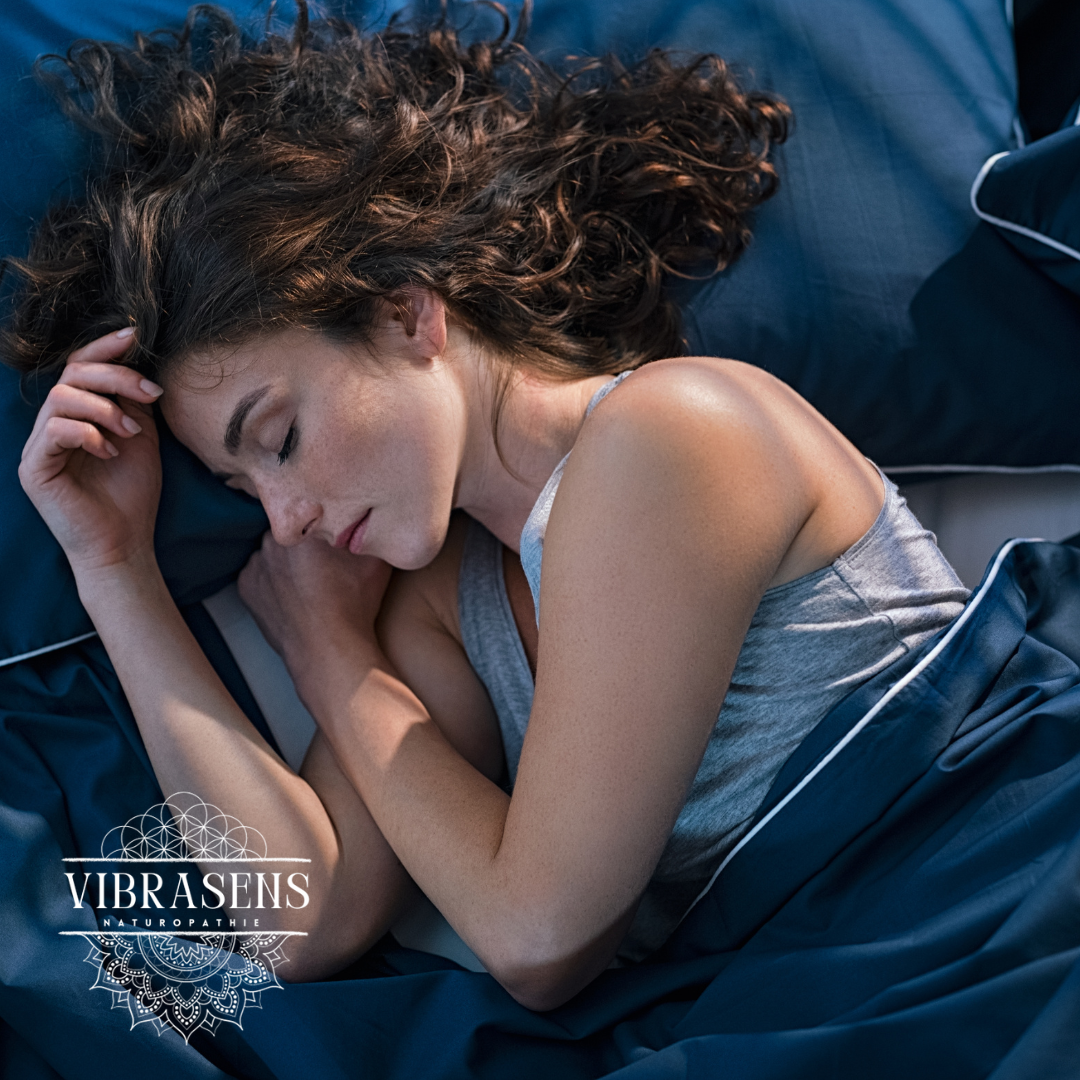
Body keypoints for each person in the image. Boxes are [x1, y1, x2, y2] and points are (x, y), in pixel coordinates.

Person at [7, 2, 969, 1010]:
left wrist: (332, 661)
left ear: (404, 312)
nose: (284, 519)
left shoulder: (672, 434)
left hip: (987, 891)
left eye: (281, 439)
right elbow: (304, 916)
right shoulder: (441, 602)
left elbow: (541, 937)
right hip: (839, 988)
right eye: (244, 489)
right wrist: (113, 568)